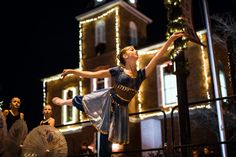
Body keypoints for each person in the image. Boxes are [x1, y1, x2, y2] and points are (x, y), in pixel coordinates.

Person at [52, 32, 184, 157]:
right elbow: (93, 75)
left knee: (107, 138)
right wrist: (72, 71)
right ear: (125, 56)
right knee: (84, 100)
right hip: (107, 100)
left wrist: (170, 40)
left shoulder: (140, 75)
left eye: (134, 49)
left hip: (120, 110)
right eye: (131, 49)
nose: (135, 50)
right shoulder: (118, 70)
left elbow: (157, 56)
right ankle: (65, 102)